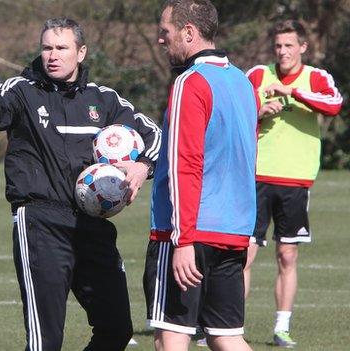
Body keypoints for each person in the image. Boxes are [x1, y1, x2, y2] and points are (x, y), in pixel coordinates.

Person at [0, 17, 161, 351]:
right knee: (46, 341)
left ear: (81, 52)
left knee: (116, 329)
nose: (52, 55)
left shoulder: (104, 100)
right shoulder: (21, 91)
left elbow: (154, 134)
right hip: (41, 224)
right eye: (47, 48)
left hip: (93, 225)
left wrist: (142, 166)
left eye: (62, 48)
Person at [143, 1, 259, 350]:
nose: (161, 40)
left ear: (188, 33)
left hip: (188, 235)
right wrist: (248, 234)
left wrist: (182, 240)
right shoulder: (241, 81)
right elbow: (248, 160)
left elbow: (185, 164)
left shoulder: (189, 82)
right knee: (228, 339)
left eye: (166, 32)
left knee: (171, 340)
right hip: (233, 233)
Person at [244, 20, 343, 348]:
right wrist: (259, 110)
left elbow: (334, 104)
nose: (283, 52)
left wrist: (291, 92)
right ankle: (227, 325)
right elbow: (232, 110)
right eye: (278, 46)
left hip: (295, 180)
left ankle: (281, 327)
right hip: (255, 177)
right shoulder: (258, 74)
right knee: (242, 256)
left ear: (303, 47)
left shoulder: (316, 77)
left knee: (287, 255)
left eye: (289, 46)